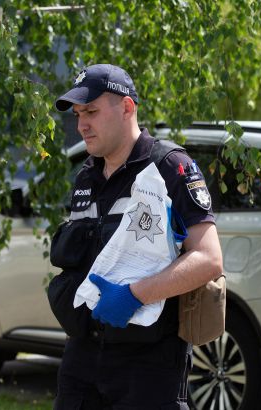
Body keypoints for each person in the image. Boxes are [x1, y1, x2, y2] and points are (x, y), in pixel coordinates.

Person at [48, 64, 223, 409]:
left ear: (127, 107)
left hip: (149, 362)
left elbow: (209, 259)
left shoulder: (170, 167)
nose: (81, 125)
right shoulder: (86, 176)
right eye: (79, 114)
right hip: (83, 356)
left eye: (91, 112)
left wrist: (134, 295)